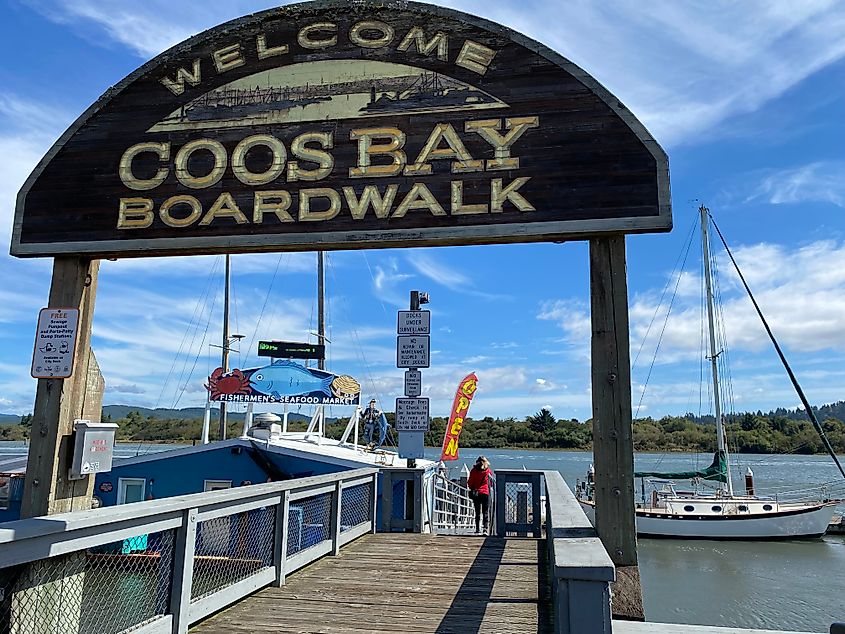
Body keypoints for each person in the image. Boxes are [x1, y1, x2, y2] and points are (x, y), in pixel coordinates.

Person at [467, 455, 492, 534]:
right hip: (485, 493)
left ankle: (477, 529)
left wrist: (472, 488)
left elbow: (470, 482)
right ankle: (485, 529)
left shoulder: (473, 471)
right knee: (485, 512)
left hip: (476, 493)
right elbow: (490, 483)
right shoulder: (488, 471)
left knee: (477, 512)